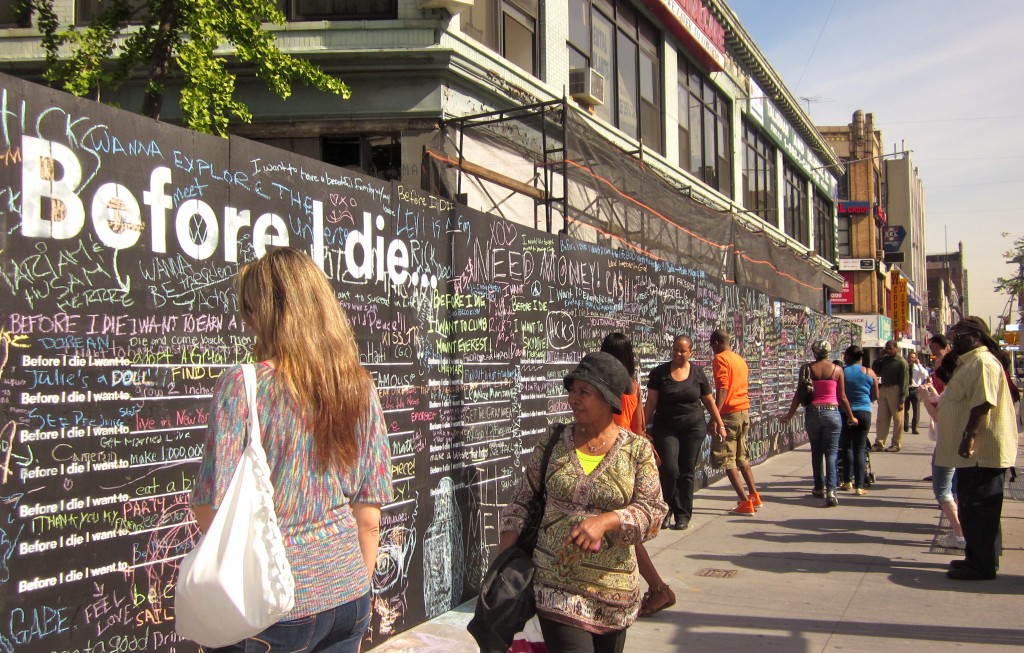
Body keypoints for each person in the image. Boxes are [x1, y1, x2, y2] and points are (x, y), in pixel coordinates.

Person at [191, 247, 393, 652]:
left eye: (248, 308)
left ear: (263, 312)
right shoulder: (357, 384)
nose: (246, 321)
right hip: (348, 590)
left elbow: (210, 509)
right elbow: (369, 514)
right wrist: (354, 584)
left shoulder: (243, 386)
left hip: (272, 603)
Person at [499, 352, 667, 651]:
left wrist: (608, 521)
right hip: (556, 589)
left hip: (614, 595)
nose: (573, 399)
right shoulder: (553, 440)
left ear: (608, 400)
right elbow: (521, 502)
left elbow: (653, 512)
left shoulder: (637, 451)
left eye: (584, 392)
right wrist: (501, 564)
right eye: (572, 391)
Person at [935, 316, 1019, 580]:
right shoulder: (969, 363)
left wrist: (968, 437)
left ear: (974, 336)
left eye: (958, 335)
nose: (954, 340)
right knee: (976, 508)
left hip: (982, 451)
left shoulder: (982, 363)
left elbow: (982, 404)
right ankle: (978, 557)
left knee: (978, 508)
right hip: (974, 454)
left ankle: (981, 566)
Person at [600, 333, 674, 618]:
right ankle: (656, 589)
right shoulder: (632, 384)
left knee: (625, 531)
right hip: (631, 459)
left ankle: (658, 588)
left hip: (610, 460)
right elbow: (641, 426)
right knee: (623, 528)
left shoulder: (606, 385)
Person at [645, 335, 729, 523]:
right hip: (666, 428)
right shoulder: (660, 373)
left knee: (686, 471)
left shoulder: (698, 373)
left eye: (682, 350)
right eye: (675, 349)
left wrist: (720, 424)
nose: (678, 353)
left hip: (693, 428)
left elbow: (708, 400)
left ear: (690, 352)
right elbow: (651, 402)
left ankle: (683, 514)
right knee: (669, 469)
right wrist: (640, 425)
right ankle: (665, 509)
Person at [779, 340, 858, 507]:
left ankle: (819, 486)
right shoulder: (837, 370)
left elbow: (798, 395)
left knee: (816, 451)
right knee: (831, 453)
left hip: (813, 412)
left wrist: (789, 415)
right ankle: (831, 490)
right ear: (829, 352)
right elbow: (842, 397)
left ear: (814, 352)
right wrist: (851, 416)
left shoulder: (807, 369)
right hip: (832, 412)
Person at [709, 329, 762, 514]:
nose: (712, 350)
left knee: (727, 458)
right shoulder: (739, 359)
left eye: (711, 346)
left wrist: (715, 415)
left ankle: (744, 502)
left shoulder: (720, 358)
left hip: (729, 413)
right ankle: (754, 496)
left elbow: (722, 388)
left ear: (716, 343)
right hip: (743, 411)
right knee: (742, 456)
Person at [921, 353, 966, 550]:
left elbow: (939, 415)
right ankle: (961, 531)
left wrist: (924, 397)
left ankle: (959, 533)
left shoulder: (952, 392)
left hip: (947, 445)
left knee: (943, 490)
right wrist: (931, 392)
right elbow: (941, 402)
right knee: (956, 489)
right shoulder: (959, 390)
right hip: (958, 444)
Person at [838, 345, 877, 495]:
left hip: (845, 412)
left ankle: (847, 480)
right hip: (864, 411)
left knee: (846, 446)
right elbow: (875, 395)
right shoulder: (869, 372)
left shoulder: (842, 372)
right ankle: (860, 485)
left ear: (847, 357)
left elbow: (839, 393)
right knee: (860, 448)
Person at [871, 340, 909, 452]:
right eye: (887, 348)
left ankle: (896, 443)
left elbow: (905, 382)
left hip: (896, 389)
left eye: (890, 348)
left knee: (898, 419)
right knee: (882, 418)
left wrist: (902, 399)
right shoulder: (885, 360)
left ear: (896, 348)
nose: (888, 350)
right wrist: (879, 358)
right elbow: (875, 370)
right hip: (884, 388)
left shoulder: (901, 362)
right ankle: (879, 442)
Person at [904, 350, 929, 434]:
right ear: (907, 358)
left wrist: (919, 364)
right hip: (906, 389)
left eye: (913, 358)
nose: (912, 359)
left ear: (916, 359)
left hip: (915, 390)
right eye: (910, 357)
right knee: (905, 409)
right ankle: (905, 425)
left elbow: (925, 374)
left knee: (916, 410)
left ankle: (915, 428)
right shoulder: (904, 366)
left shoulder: (918, 368)